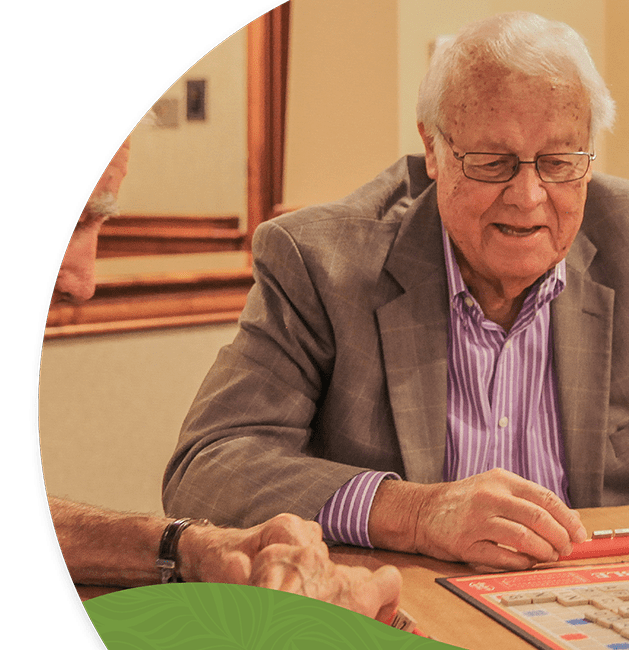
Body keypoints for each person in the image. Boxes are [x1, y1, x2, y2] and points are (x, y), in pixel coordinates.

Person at [163, 11, 629, 573]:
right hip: (406, 620)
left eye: (560, 160)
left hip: (594, 610)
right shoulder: (321, 261)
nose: (529, 196)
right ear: (433, 150)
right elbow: (209, 467)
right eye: (492, 162)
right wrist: (418, 513)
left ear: (590, 153)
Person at [46, 138, 401, 622]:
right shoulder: (317, 255)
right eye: (76, 216)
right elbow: (210, 463)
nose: (83, 284)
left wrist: (190, 547)